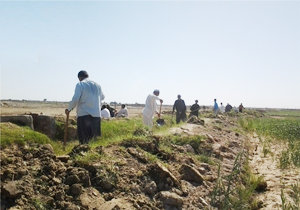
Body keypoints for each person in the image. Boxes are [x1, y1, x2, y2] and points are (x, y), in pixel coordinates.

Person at [65, 70, 104, 144]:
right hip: (96, 115)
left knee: (84, 141)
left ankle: (83, 154)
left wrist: (69, 109)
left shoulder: (80, 84)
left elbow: (75, 99)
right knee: (94, 141)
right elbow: (102, 97)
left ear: (79, 78)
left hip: (84, 115)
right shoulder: (97, 85)